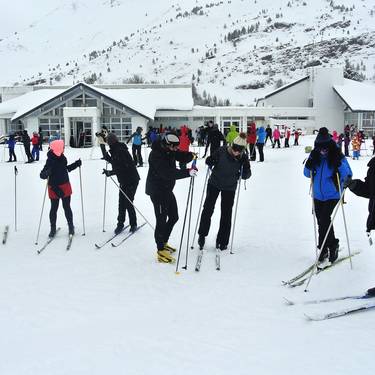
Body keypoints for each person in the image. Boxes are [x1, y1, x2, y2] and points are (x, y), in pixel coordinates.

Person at [304, 127, 352, 264]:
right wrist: (309, 164)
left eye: (325, 147)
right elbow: (306, 174)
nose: (323, 150)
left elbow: (348, 174)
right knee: (321, 221)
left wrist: (339, 165)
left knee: (325, 218)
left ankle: (332, 245)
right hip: (317, 195)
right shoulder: (315, 155)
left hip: (333, 194)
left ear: (330, 145)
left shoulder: (337, 155)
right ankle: (324, 248)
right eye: (320, 148)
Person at [146, 132, 196, 263]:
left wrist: (191, 155)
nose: (175, 149)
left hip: (167, 190)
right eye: (173, 147)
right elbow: (168, 174)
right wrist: (187, 172)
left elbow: (179, 155)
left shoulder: (169, 149)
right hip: (157, 191)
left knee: (174, 217)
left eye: (176, 147)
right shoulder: (156, 155)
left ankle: (164, 241)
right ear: (166, 145)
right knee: (161, 220)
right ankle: (160, 249)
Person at [198, 133, 251, 250]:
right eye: (234, 149)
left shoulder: (243, 157)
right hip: (214, 183)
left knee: (226, 214)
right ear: (231, 146)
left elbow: (247, 174)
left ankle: (223, 240)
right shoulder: (222, 151)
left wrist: (244, 171)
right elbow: (209, 160)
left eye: (239, 151)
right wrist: (210, 160)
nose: (236, 152)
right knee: (208, 208)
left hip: (229, 187)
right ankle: (202, 234)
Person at [40, 140, 82, 237]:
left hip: (65, 185)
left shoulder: (62, 158)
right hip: (54, 187)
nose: (63, 149)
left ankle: (71, 227)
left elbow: (65, 169)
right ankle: (52, 229)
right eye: (62, 147)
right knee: (54, 208)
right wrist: (46, 173)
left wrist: (76, 164)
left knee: (67, 207)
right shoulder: (50, 160)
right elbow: (42, 175)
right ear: (58, 148)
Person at [103, 133, 140, 234]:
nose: (108, 144)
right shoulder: (115, 150)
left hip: (131, 180)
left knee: (128, 202)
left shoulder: (120, 151)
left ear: (112, 142)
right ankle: (120, 224)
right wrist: (109, 159)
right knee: (121, 202)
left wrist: (111, 172)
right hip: (124, 180)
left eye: (108, 143)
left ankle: (133, 224)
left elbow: (124, 167)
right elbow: (117, 163)